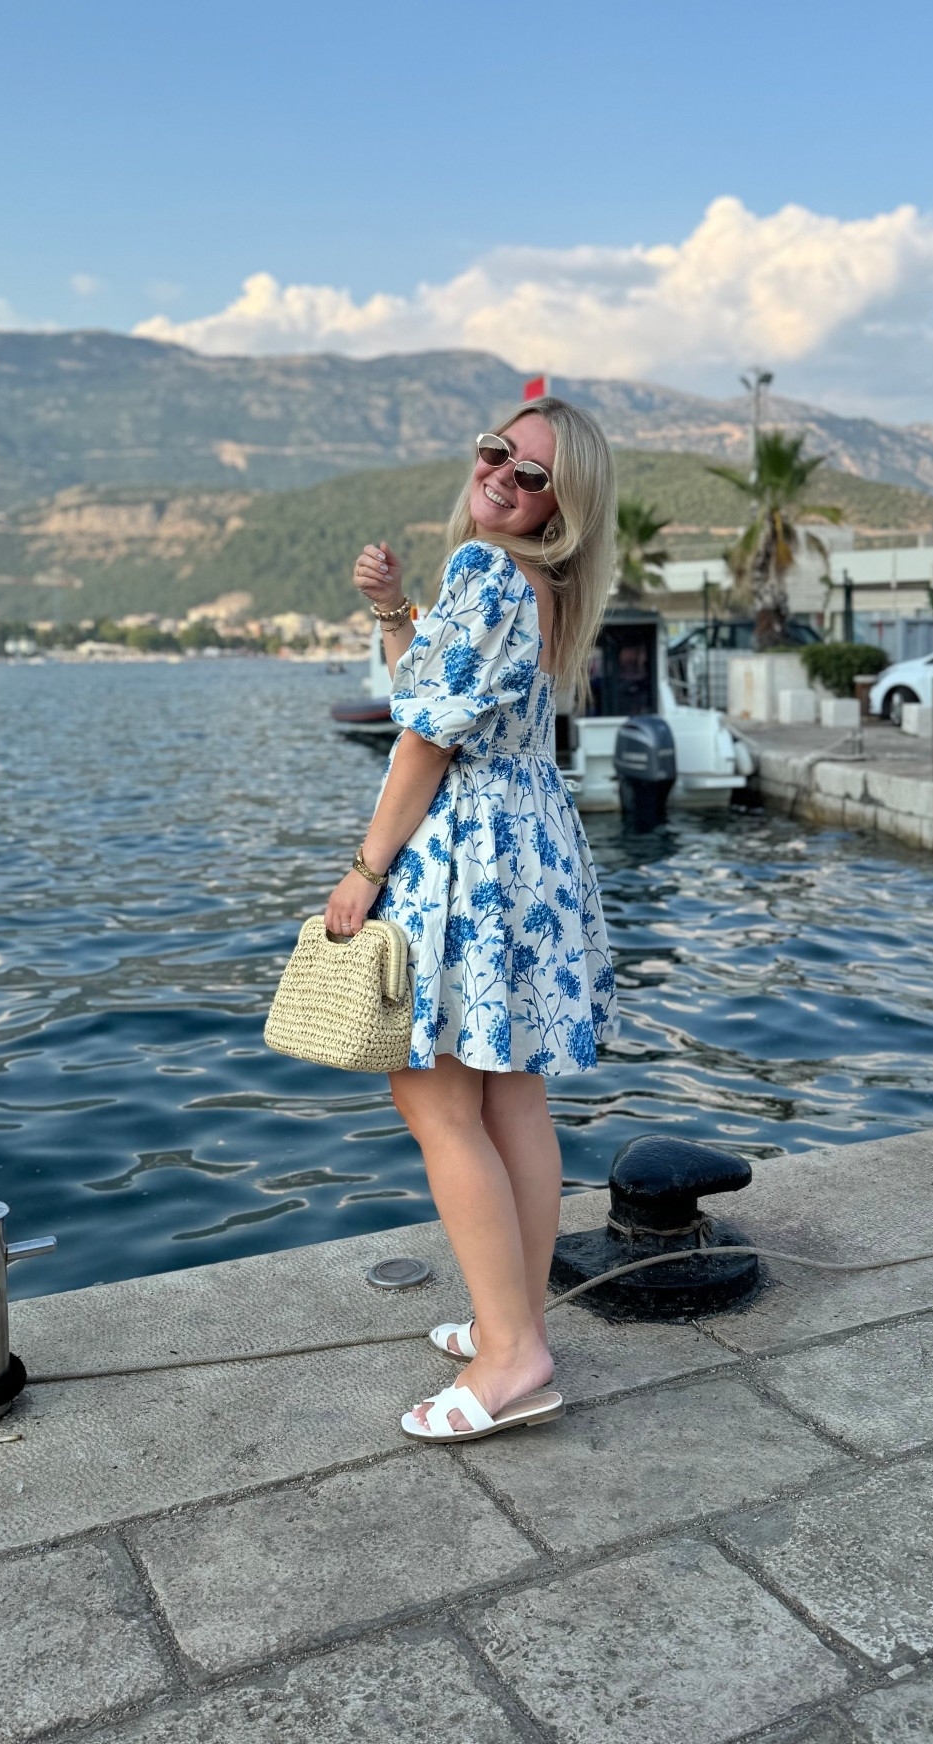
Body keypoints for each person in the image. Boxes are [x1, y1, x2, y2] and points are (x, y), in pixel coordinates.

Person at [323, 397, 618, 1443]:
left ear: (563, 503)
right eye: (498, 451)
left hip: (470, 854)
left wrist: (366, 868)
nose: (502, 473)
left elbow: (424, 743)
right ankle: (515, 1319)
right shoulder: (535, 582)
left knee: (437, 1099)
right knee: (510, 1099)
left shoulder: (489, 570)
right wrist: (399, 609)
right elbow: (440, 690)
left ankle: (514, 1355)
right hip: (530, 851)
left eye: (532, 472)